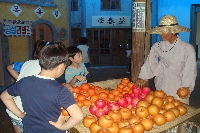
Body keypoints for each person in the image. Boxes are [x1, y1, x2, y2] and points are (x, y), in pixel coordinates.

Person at [0, 43, 84, 133]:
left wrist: (20, 114)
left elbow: (4, 97)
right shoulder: (61, 90)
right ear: (61, 67)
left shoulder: (24, 81)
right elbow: (78, 116)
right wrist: (62, 126)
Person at [135, 15, 197, 104]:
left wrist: (186, 87)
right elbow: (149, 64)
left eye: (164, 31)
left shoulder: (186, 48)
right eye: (160, 31)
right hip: (160, 92)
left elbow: (190, 71)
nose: (161, 34)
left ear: (173, 31)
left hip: (178, 93)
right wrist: (142, 78)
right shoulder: (157, 46)